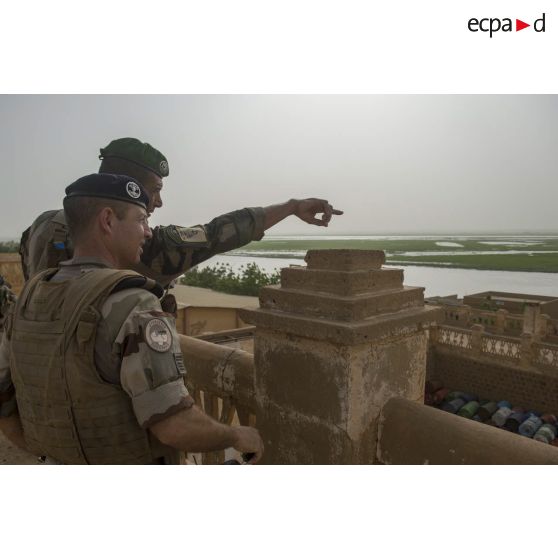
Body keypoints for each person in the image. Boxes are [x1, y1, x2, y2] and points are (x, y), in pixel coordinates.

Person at [0, 173, 265, 464]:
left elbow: (6, 410)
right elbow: (174, 425)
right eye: (141, 220)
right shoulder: (132, 302)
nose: (148, 232)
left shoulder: (29, 297)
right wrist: (235, 436)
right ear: (108, 221)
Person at [20, 137, 344, 289]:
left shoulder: (39, 227)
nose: (158, 202)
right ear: (131, 188)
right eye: (155, 190)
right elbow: (218, 233)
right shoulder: (138, 246)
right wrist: (289, 207)